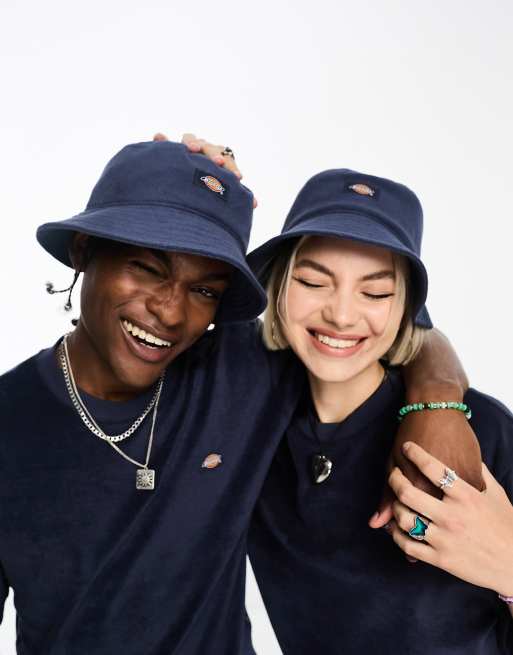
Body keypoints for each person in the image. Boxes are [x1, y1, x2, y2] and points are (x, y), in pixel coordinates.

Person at [0, 138, 481, 655]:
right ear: (83, 249)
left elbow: (386, 331)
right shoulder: (11, 420)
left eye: (205, 290)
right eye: (147, 268)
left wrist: (437, 405)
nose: (170, 311)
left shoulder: (241, 368)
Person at [247, 168, 513, 654]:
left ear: (406, 306)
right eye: (313, 282)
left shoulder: (482, 429)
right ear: (279, 286)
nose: (341, 315)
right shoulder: (248, 420)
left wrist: (508, 568)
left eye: (375, 293)